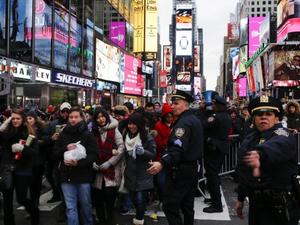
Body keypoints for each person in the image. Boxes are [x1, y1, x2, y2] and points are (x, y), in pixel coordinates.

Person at [235, 95, 300, 225]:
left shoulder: (284, 135)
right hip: (256, 204)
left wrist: (260, 154)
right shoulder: (250, 138)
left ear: (276, 118)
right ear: (254, 118)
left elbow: (276, 146)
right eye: (259, 114)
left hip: (279, 206)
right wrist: (241, 198)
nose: (263, 117)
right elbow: (244, 171)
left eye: (268, 114)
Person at [148, 89, 203, 225]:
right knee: (187, 206)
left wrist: (162, 163)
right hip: (191, 169)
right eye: (172, 103)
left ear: (185, 104)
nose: (172, 106)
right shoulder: (193, 119)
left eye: (176, 103)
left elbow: (177, 149)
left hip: (181, 170)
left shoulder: (184, 123)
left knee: (170, 206)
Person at [53, 107, 99, 225]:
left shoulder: (87, 134)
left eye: (76, 117)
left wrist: (78, 163)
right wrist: (65, 148)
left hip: (83, 176)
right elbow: (55, 154)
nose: (73, 119)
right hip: (66, 176)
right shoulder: (63, 134)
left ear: (81, 118)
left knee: (85, 206)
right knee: (70, 207)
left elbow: (94, 154)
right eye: (71, 117)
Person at [0, 109, 40, 225]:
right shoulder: (7, 132)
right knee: (7, 199)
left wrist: (23, 149)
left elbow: (35, 151)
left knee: (21, 198)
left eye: (18, 118)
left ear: (23, 120)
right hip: (7, 168)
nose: (15, 121)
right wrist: (3, 126)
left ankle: (34, 213)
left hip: (23, 169)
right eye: (13, 119)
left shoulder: (29, 134)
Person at [91, 108, 125, 225]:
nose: (101, 119)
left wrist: (110, 162)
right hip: (98, 172)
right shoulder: (94, 131)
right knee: (98, 200)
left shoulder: (114, 130)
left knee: (110, 200)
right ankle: (101, 221)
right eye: (98, 117)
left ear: (106, 116)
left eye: (102, 116)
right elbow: (89, 150)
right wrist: (92, 163)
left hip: (111, 171)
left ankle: (110, 221)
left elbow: (121, 148)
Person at [123, 113, 156, 225]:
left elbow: (153, 153)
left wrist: (143, 152)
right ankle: (139, 214)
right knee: (133, 198)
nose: (131, 126)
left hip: (143, 174)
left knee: (140, 199)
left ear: (139, 125)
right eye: (130, 124)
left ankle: (139, 220)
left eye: (134, 124)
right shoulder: (126, 136)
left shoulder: (147, 136)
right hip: (130, 173)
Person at [202, 95, 231, 213]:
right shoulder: (226, 116)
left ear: (218, 105)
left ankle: (217, 205)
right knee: (213, 175)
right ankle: (215, 199)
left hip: (214, 149)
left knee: (212, 176)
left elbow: (204, 125)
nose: (212, 106)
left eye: (214, 104)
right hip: (219, 148)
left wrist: (203, 112)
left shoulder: (216, 117)